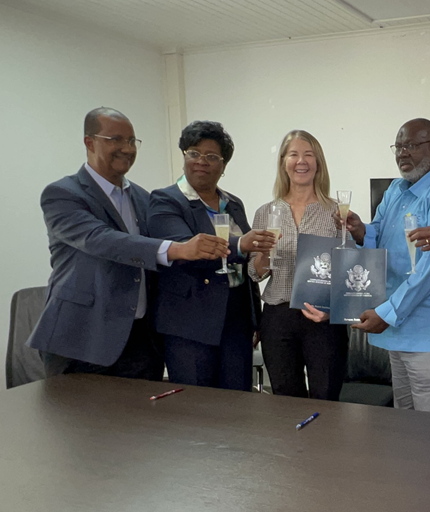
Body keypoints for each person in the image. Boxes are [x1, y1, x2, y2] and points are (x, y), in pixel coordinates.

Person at [28, 107, 229, 380]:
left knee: (144, 410)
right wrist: (177, 248)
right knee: (79, 411)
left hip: (141, 342)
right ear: (89, 142)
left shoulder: (144, 198)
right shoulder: (63, 194)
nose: (127, 148)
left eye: (132, 141)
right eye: (116, 139)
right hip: (82, 338)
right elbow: (101, 240)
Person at [337, 118, 430, 414]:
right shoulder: (395, 190)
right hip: (398, 326)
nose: (402, 153)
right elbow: (380, 233)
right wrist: (361, 231)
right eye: (398, 146)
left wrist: (387, 312)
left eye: (411, 145)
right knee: (404, 420)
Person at [148, 121, 276, 391]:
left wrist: (255, 319)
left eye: (211, 156)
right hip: (190, 326)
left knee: (237, 403)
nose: (201, 161)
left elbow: (246, 267)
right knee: (197, 407)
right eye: (194, 153)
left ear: (223, 165)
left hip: (236, 322)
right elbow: (186, 250)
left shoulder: (233, 203)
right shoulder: (165, 200)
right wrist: (240, 244)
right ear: (184, 156)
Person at [248, 130, 348, 400]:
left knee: (326, 399)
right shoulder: (265, 213)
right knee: (285, 401)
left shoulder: (337, 213)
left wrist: (332, 310)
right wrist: (264, 254)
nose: (301, 161)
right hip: (278, 318)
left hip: (323, 318)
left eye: (308, 155)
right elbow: (254, 274)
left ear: (318, 163)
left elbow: (347, 272)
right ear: (283, 162)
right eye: (293, 154)